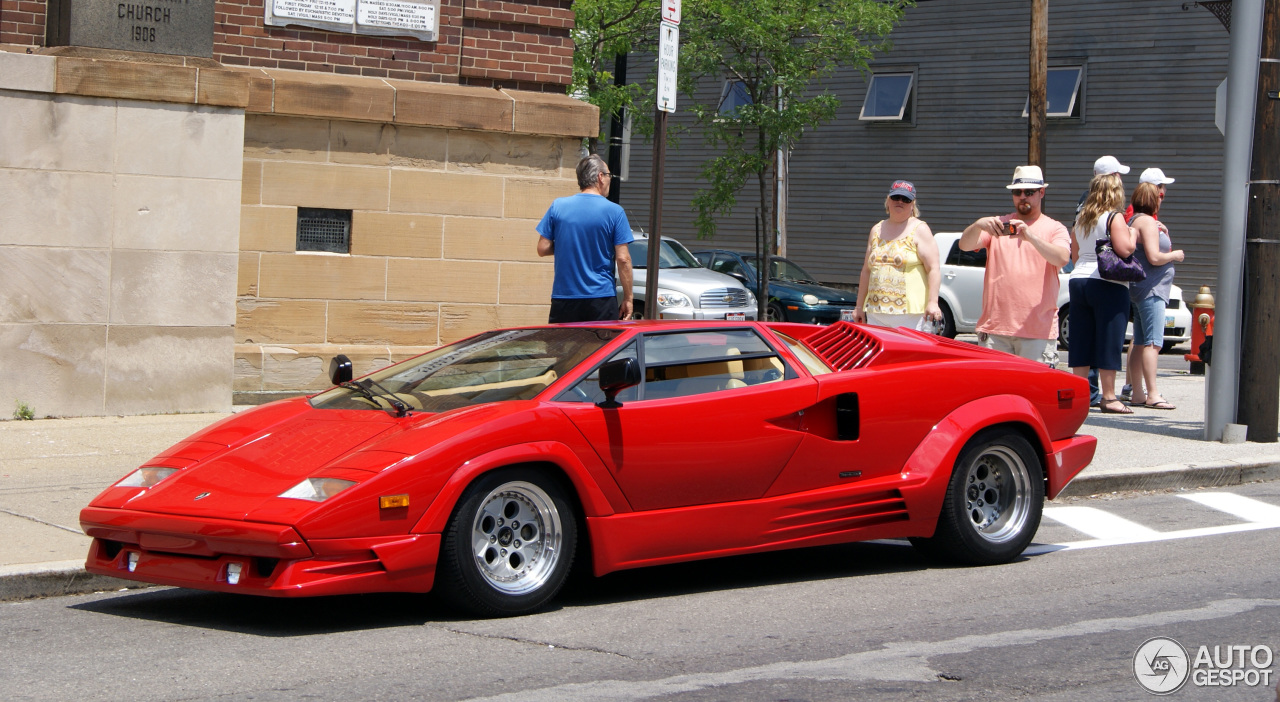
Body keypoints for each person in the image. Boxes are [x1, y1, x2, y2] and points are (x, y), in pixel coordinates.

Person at [957, 166, 1070, 365]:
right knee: (995, 392)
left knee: (1036, 393)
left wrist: (1031, 237)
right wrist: (977, 225)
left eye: (1029, 192)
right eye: (1017, 192)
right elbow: (964, 245)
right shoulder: (998, 225)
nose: (1022, 197)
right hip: (995, 331)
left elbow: (1062, 258)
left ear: (1041, 192)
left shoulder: (1054, 227)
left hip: (1038, 332)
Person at [1068, 171, 1138, 414]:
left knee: (1081, 340)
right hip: (1107, 281)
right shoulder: (1114, 217)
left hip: (1078, 280)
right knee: (1109, 339)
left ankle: (1080, 395)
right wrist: (1134, 234)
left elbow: (1074, 254)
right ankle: (1108, 397)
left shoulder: (1081, 218)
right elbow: (1126, 249)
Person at [536, 155, 634, 323]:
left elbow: (542, 248)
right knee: (603, 348)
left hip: (564, 297)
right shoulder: (615, 211)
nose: (610, 180)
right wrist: (628, 298)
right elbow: (623, 258)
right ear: (600, 177)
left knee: (563, 348)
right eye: (609, 175)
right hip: (600, 297)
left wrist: (567, 245)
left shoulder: (558, 206)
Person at [1125, 181, 1184, 409]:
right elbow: (1154, 257)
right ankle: (1152, 394)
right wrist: (1175, 255)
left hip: (1141, 288)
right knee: (1153, 342)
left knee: (1140, 342)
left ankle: (1138, 393)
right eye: (1160, 195)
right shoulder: (1147, 221)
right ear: (1152, 198)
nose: (1162, 198)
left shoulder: (1135, 220)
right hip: (1152, 288)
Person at [853, 180, 942, 331]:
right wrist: (859, 306)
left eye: (906, 199)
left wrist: (933, 302)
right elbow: (866, 270)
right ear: (888, 200)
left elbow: (933, 268)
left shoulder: (920, 229)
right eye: (896, 198)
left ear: (913, 204)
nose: (900, 202)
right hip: (876, 312)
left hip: (910, 316)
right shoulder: (876, 230)